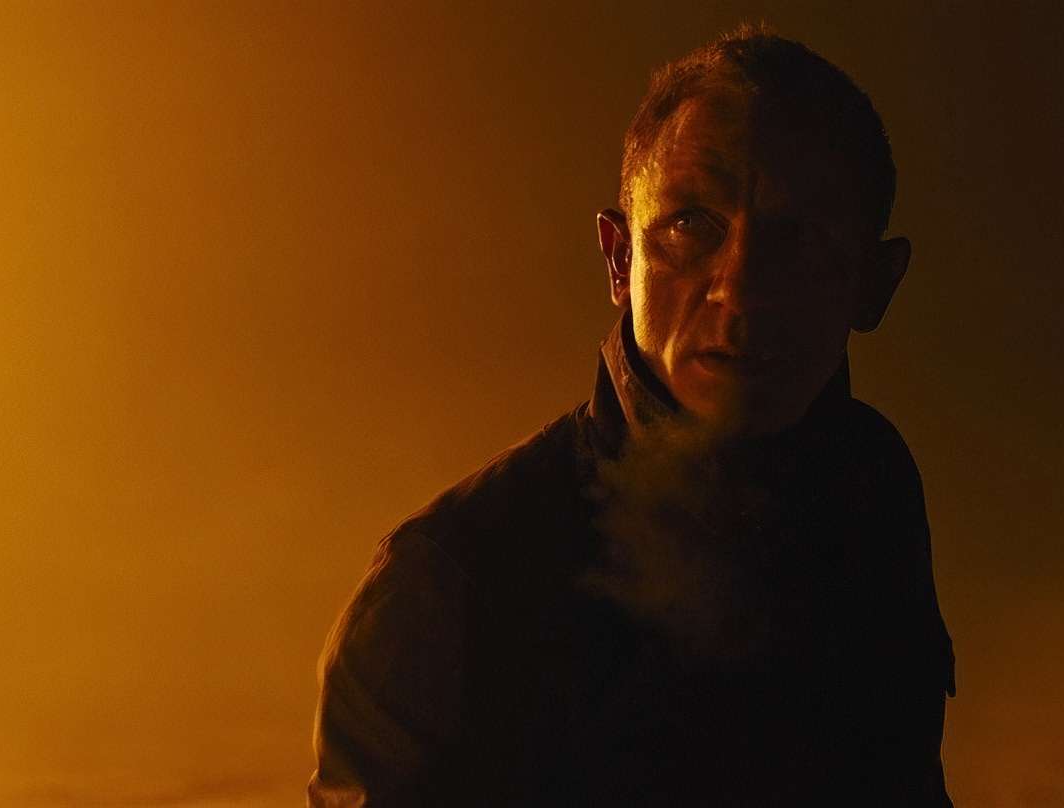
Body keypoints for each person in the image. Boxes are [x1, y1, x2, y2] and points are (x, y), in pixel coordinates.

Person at [309, 24, 955, 807]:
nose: (741, 288)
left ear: (874, 284)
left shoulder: (871, 489)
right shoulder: (450, 587)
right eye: (692, 223)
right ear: (620, 259)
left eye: (800, 236)